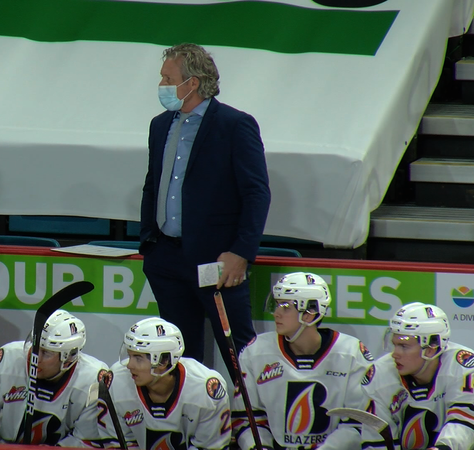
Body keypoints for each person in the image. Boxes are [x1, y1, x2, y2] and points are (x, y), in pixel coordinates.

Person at [139, 43, 271, 373]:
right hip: (166, 259)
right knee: (178, 359)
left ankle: (251, 407)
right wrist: (149, 243)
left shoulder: (234, 125)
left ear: (193, 83)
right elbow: (153, 184)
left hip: (217, 262)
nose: (161, 85)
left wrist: (241, 252)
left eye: (168, 78)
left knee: (239, 353)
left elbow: (256, 193)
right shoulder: (160, 125)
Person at [232, 272, 374, 449]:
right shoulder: (255, 352)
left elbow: (358, 424)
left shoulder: (351, 354)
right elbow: (246, 419)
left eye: (285, 307)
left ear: (309, 314)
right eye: (276, 305)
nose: (276, 313)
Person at [0, 309, 108, 445]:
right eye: (34, 345)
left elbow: (86, 441)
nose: (34, 356)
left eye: (46, 353)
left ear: (69, 358)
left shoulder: (93, 379)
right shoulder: (8, 358)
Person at [94, 317, 231, 449]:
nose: (129, 365)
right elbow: (116, 443)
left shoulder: (205, 390)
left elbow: (209, 446)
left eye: (138, 358)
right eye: (129, 356)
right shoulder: (116, 382)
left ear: (164, 361)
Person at [356, 302, 474, 450]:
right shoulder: (380, 375)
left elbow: (464, 425)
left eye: (404, 346)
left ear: (431, 349)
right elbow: (376, 442)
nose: (395, 354)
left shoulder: (464, 368)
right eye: (394, 344)